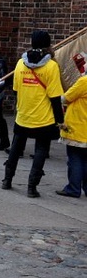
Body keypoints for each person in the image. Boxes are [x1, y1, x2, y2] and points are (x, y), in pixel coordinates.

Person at [1, 30, 64, 197]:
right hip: (43, 117)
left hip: (23, 115)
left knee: (16, 147)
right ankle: (31, 186)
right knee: (41, 150)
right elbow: (55, 97)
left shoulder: (21, 63)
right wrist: (60, 120)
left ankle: (7, 179)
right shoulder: (51, 66)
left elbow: (15, 90)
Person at [56, 53, 87, 198]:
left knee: (75, 159)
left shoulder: (84, 81)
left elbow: (66, 98)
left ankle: (73, 188)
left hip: (78, 126)